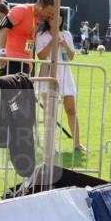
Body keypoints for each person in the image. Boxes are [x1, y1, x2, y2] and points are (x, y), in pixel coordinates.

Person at [35, 13, 86, 152]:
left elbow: (71, 57)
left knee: (71, 109)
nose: (57, 20)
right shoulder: (41, 35)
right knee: (50, 111)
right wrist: (52, 42)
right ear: (48, 19)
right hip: (48, 73)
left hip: (65, 74)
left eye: (59, 18)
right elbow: (41, 56)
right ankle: (50, 144)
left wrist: (65, 45)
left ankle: (77, 143)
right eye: (53, 18)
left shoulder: (67, 34)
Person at [0, 0, 55, 76]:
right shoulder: (21, 10)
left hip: (26, 62)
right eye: (48, 12)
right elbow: (3, 28)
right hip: (12, 60)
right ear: (40, 7)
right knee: (10, 89)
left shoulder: (38, 17)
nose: (49, 15)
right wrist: (2, 53)